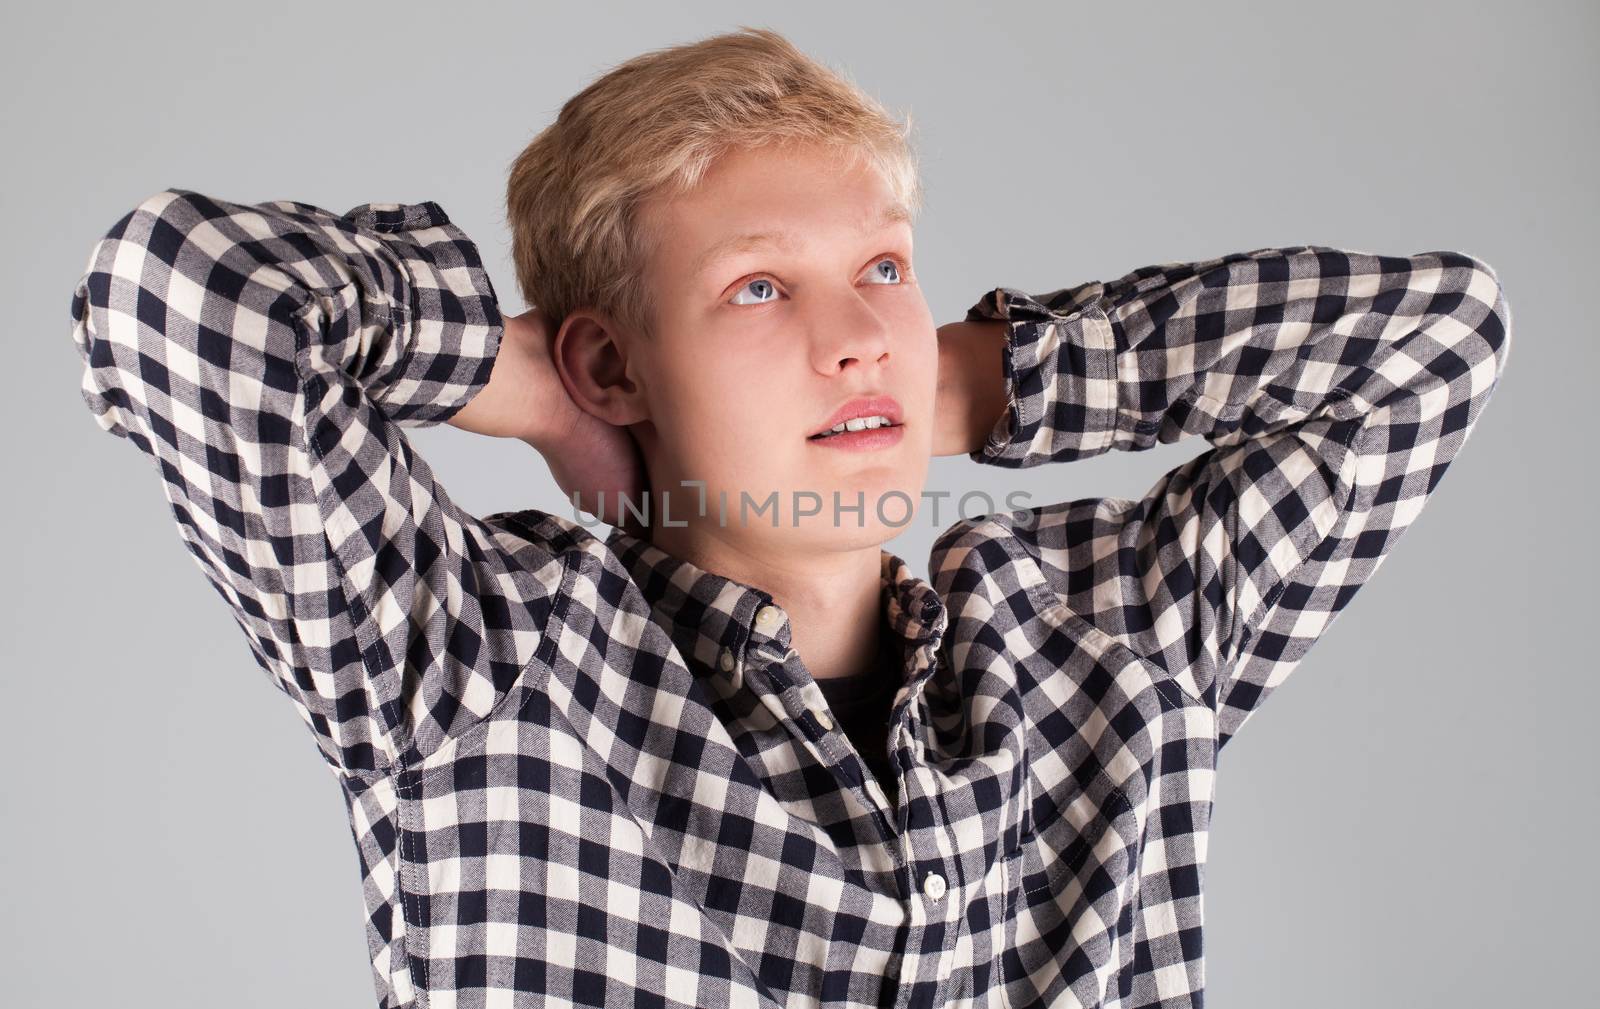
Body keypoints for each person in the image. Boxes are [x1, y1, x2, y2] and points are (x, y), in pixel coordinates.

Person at [66, 25, 1512, 1009]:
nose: (856, 336)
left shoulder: (1107, 636)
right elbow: (179, 292)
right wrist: (539, 390)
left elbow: (1436, 341)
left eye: (882, 269)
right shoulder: (478, 663)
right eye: (762, 288)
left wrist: (967, 380)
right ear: (616, 358)